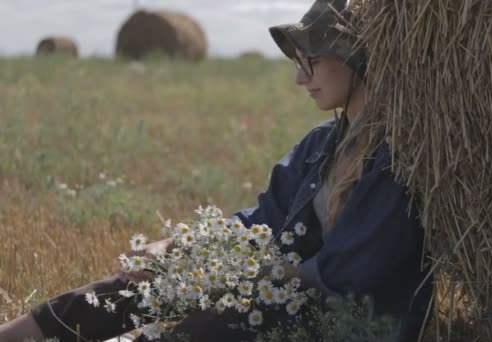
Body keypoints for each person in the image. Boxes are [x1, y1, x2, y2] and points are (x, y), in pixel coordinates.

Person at [0, 0, 432, 341]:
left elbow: (346, 276)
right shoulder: (322, 145)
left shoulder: (393, 161)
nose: (301, 79)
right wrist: (177, 248)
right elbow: (262, 223)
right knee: (141, 284)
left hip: (347, 323)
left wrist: (240, 275)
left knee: (215, 324)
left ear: (353, 57)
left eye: (311, 61)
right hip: (282, 295)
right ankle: (18, 333)